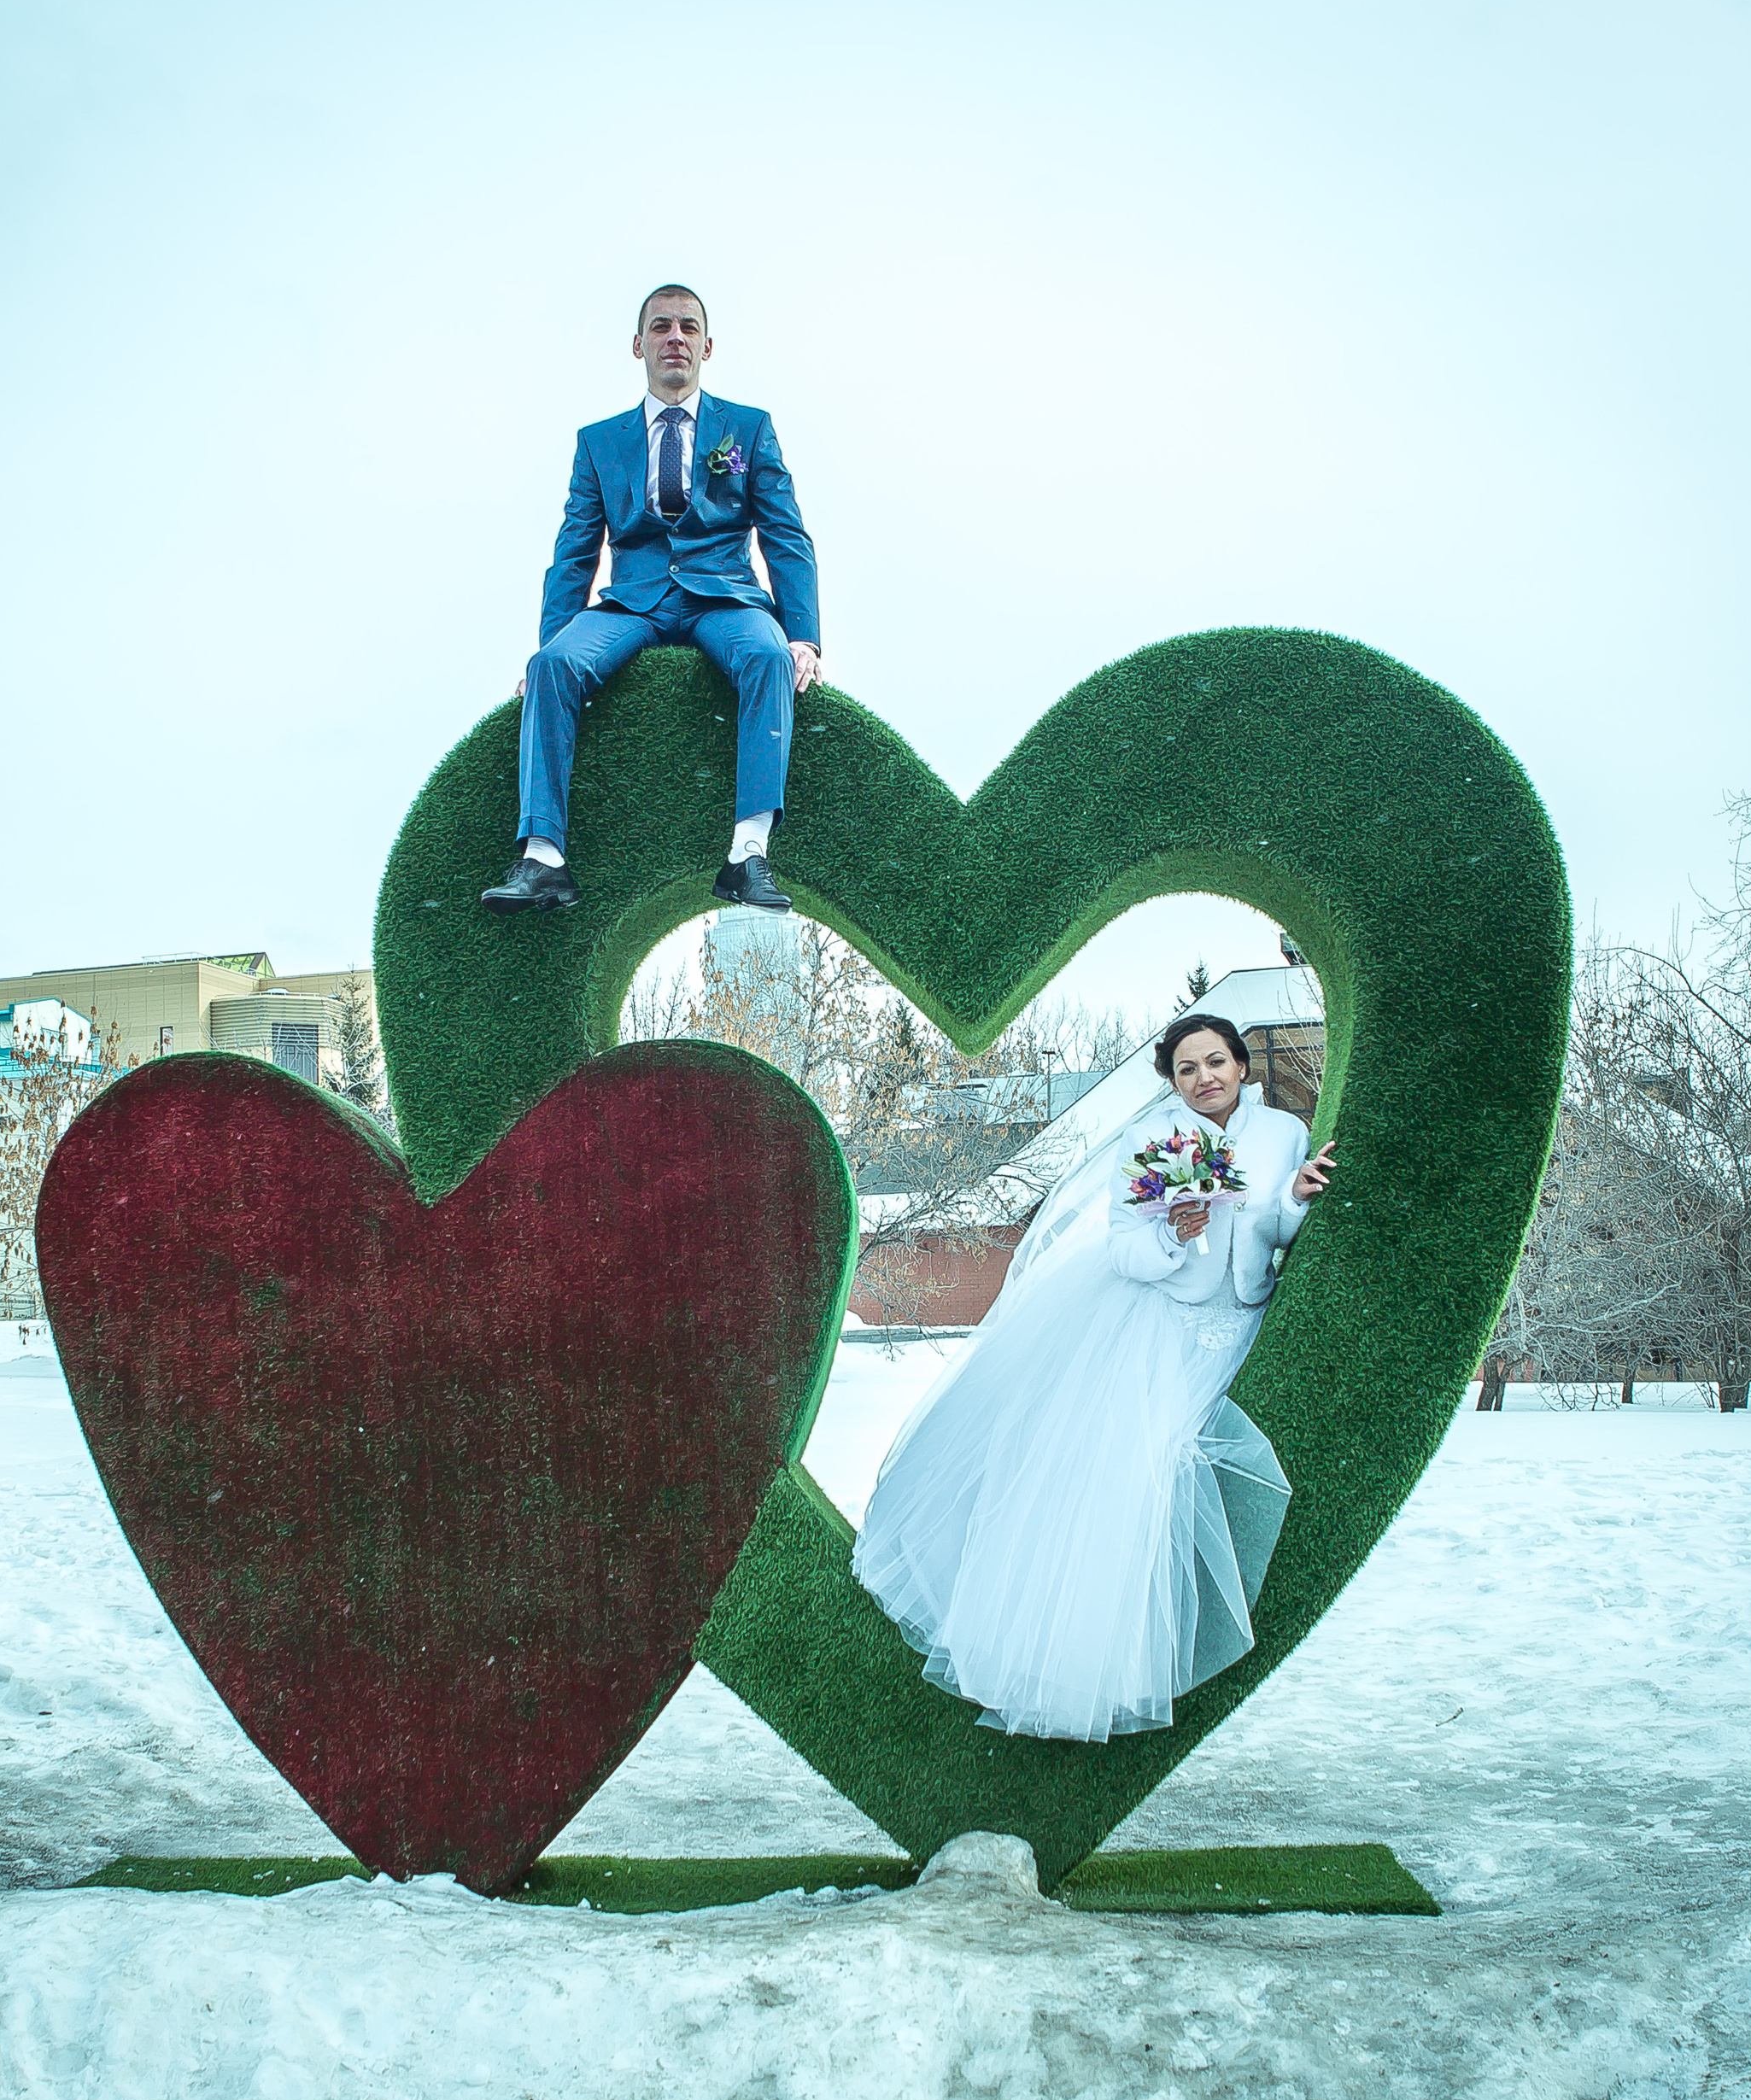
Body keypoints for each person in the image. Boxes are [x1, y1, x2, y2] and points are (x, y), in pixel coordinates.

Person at [852, 1012, 1340, 1740]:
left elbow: (1270, 1230)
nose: (1204, 1078)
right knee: (1127, 1475)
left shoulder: (1282, 1136)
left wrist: (1293, 1200)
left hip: (1240, 1317)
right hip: (1162, 1321)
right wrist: (1173, 1235)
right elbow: (1124, 1251)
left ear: (1241, 1065)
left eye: (1215, 1062)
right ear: (1172, 1082)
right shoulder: (1153, 1142)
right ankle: (1082, 1662)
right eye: (1186, 1069)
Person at [480, 284, 822, 919]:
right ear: (638, 345)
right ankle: (544, 858)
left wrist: (803, 634)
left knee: (770, 657)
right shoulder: (598, 442)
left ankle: (747, 854)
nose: (675, 338)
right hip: (634, 600)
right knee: (550, 667)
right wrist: (549, 642)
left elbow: (785, 533)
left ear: (707, 346)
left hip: (724, 596)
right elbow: (575, 552)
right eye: (661, 327)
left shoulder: (747, 429)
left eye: (689, 328)